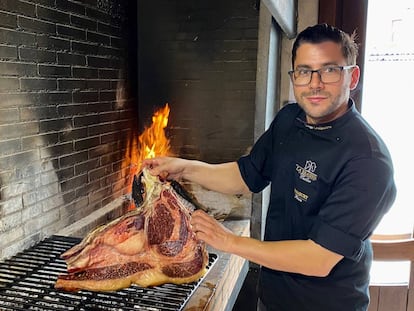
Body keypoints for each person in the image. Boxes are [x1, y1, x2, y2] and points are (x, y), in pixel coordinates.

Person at [143, 23, 396, 311]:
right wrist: (184, 168)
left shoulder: (368, 161)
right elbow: (245, 176)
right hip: (273, 297)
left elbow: (319, 259)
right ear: (293, 77)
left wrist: (227, 241)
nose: (314, 83)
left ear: (352, 77)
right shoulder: (290, 119)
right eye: (304, 71)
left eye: (329, 70)